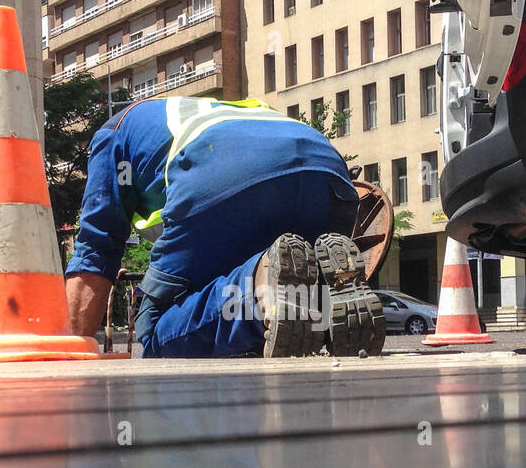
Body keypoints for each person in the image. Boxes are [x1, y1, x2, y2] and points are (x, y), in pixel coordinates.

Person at [65, 97, 387, 358]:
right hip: (331, 176)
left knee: (157, 332)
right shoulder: (226, 109)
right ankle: (326, 309)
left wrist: (68, 355)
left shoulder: (114, 133)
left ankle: (261, 293)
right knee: (286, 273)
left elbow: (96, 252)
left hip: (218, 170)